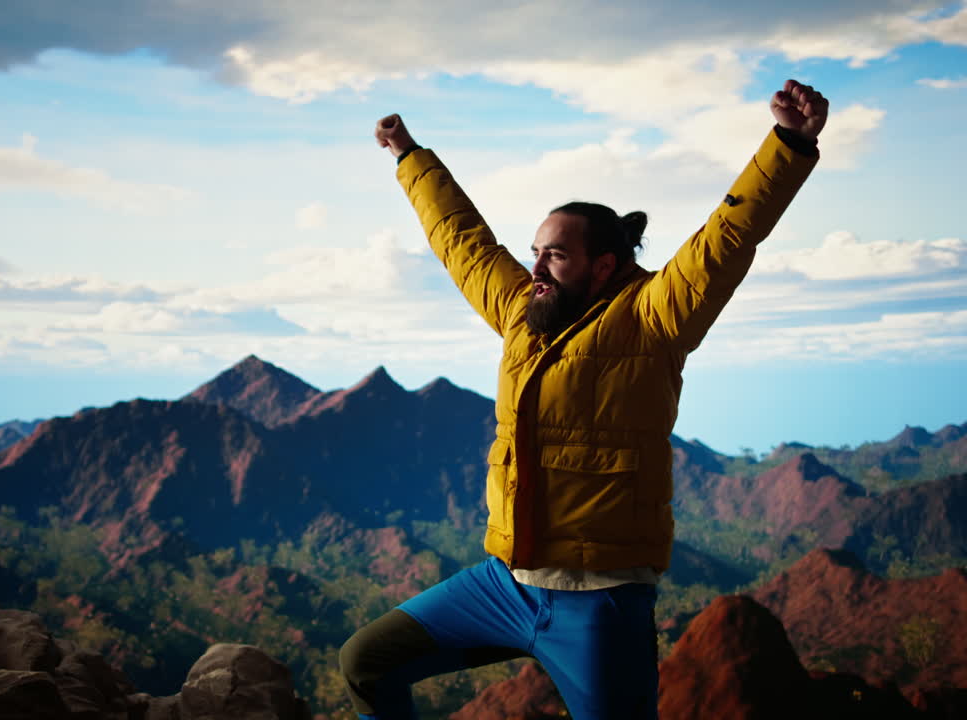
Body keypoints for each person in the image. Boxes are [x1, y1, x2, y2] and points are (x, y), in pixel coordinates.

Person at [339, 79, 829, 720]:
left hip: (600, 603)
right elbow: (463, 240)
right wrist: (410, 156)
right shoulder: (524, 310)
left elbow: (727, 237)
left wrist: (789, 142)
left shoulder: (654, 318)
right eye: (536, 252)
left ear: (603, 265)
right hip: (504, 585)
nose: (537, 267)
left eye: (556, 256)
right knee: (366, 662)